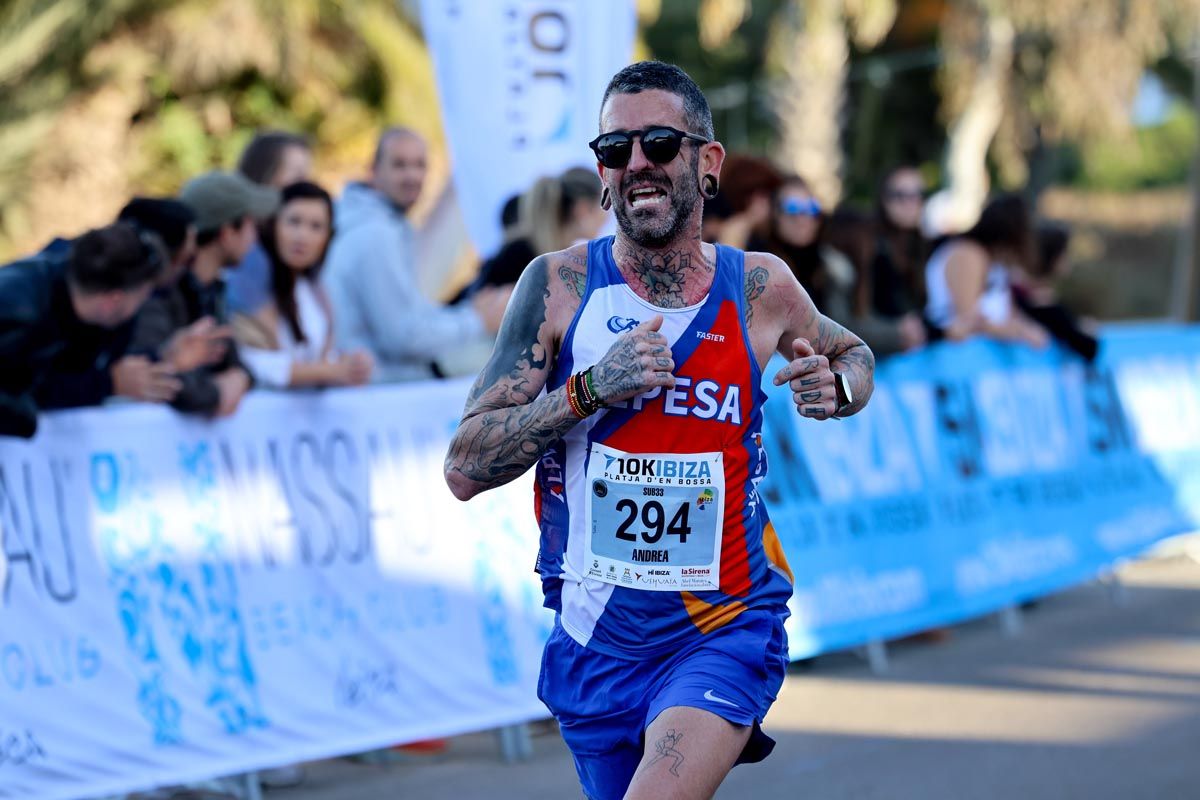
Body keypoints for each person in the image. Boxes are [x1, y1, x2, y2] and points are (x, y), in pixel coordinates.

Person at [443, 61, 875, 800]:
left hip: (724, 622)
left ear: (707, 163)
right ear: (602, 175)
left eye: (658, 143)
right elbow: (464, 467)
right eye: (615, 148)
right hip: (595, 638)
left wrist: (837, 388)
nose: (637, 162)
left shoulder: (761, 288)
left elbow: (853, 354)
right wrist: (585, 393)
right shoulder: (558, 287)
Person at [323, 127, 509, 382]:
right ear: (373, 170)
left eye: (419, 165)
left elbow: (411, 315)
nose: (411, 175)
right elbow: (404, 337)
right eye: (399, 165)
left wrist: (468, 314)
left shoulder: (379, 224)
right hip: (372, 395)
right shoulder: (376, 234)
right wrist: (475, 321)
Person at [132, 171, 278, 417]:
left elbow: (235, 365)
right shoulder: (160, 292)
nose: (255, 236)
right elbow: (161, 380)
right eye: (251, 224)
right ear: (227, 232)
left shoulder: (211, 290)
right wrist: (217, 394)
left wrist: (241, 378)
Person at [0, 223, 164, 437]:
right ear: (112, 301)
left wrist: (167, 356)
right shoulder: (18, 312)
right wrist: (106, 383)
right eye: (142, 296)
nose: (141, 306)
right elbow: (27, 390)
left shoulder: (97, 318)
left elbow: (84, 368)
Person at [231, 181, 373, 388]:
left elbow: (315, 355)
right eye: (294, 222)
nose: (302, 237)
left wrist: (350, 365)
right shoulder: (248, 286)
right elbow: (254, 362)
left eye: (316, 227)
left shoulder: (315, 290)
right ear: (275, 224)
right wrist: (330, 371)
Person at [924, 192, 1049, 348]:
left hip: (989, 352)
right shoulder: (967, 254)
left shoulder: (996, 262)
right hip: (957, 353)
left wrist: (1028, 328)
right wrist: (1020, 332)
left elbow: (1008, 312)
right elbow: (968, 319)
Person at [467, 167, 607, 294]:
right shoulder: (521, 254)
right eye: (604, 204)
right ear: (583, 209)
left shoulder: (558, 256)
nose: (607, 215)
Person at [840, 165, 931, 357]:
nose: (910, 203)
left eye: (917, 194)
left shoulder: (922, 246)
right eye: (900, 195)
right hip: (871, 362)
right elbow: (848, 320)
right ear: (884, 199)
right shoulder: (864, 244)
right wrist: (897, 332)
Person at [227, 131, 314, 316]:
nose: (307, 187)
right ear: (264, 176)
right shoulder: (246, 248)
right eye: (298, 177)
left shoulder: (284, 245)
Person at [762, 175, 857, 327]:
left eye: (812, 208)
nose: (803, 218)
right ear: (775, 214)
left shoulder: (833, 267)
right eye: (792, 208)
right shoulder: (758, 262)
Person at [1012, 222, 1099, 361]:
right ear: (1053, 258)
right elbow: (1088, 348)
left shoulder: (1017, 292)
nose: (1069, 260)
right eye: (1065, 254)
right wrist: (1085, 331)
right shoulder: (1042, 305)